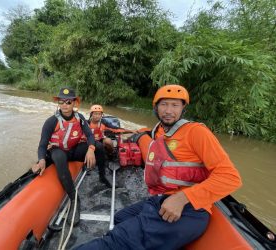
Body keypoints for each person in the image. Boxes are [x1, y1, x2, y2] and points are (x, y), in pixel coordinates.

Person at [75, 84, 242, 249]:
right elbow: (147, 132)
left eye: (175, 105)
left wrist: (182, 198)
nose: (169, 110)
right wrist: (134, 134)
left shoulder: (197, 133)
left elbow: (231, 178)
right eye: (164, 104)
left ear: (183, 109)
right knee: (120, 218)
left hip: (189, 209)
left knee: (116, 240)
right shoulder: (160, 130)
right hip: (162, 199)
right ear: (156, 108)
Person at [31, 87, 109, 226]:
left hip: (73, 150)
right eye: (61, 102)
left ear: (74, 103)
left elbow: (90, 135)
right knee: (59, 156)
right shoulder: (51, 121)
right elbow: (42, 145)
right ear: (58, 103)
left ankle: (102, 176)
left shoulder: (80, 118)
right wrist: (42, 159)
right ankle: (74, 199)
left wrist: (91, 149)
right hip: (58, 151)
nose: (65, 105)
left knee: (98, 146)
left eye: (68, 102)